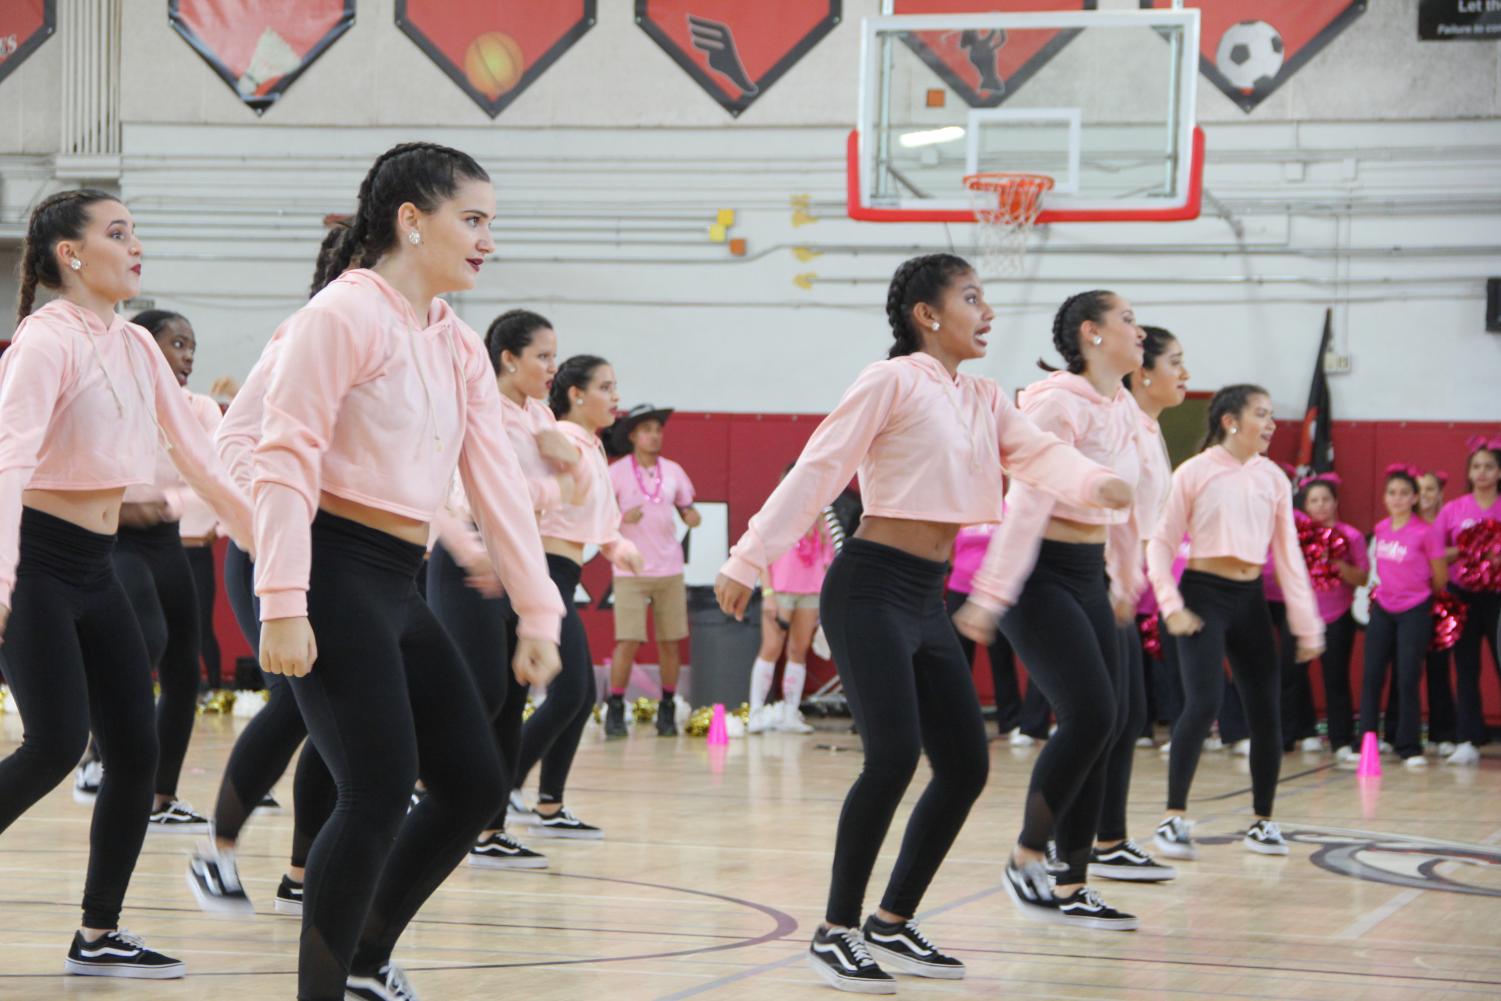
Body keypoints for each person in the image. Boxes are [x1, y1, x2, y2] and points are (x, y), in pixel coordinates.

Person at [716, 253, 1129, 992]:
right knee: (892, 756)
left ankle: (891, 919)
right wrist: (747, 559)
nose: (988, 312)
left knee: (966, 764)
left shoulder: (982, 394)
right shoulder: (890, 379)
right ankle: (835, 928)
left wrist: (1094, 481)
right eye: (971, 297)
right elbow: (818, 468)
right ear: (926, 315)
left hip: (925, 595)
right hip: (869, 587)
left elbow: (1036, 453)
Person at [250, 142, 564, 1000]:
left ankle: (361, 961)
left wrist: (539, 614)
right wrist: (281, 597)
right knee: (377, 791)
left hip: (397, 578)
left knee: (471, 781)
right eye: (473, 220)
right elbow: (281, 459)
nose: (486, 240)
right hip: (331, 570)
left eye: (490, 223)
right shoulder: (341, 315)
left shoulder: (457, 344)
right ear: (411, 220)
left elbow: (493, 479)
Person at [0, 188, 253, 977]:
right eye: (118, 233)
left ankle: (98, 932)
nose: (135, 245)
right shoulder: (44, 343)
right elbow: (7, 457)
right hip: (37, 564)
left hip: (97, 566)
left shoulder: (135, 347)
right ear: (70, 254)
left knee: (136, 752)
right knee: (54, 743)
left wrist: (272, 542)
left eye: (135, 231)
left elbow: (199, 459)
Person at [957, 290, 1157, 925]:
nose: (1140, 328)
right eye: (1128, 318)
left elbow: (1124, 507)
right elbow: (1027, 506)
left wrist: (1125, 582)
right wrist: (991, 597)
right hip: (1038, 573)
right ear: (1092, 333)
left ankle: (1072, 882)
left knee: (1110, 719)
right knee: (1091, 713)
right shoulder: (1055, 402)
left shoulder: (1122, 406)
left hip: (1086, 574)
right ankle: (1025, 859)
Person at [429, 307, 584, 870]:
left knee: (512, 694)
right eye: (542, 355)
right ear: (508, 358)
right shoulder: (483, 409)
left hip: (519, 559)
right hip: (468, 557)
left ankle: (488, 827)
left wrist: (562, 475)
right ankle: (429, 790)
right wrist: (554, 483)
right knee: (482, 690)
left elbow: (578, 489)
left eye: (554, 355)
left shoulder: (540, 415)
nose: (552, 366)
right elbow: (477, 495)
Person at [1148, 384, 1323, 861]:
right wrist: (1171, 605)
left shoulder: (1274, 479)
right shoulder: (1194, 472)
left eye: (1271, 415)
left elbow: (1289, 558)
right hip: (1203, 596)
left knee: (1266, 712)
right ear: (1230, 420)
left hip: (1250, 600)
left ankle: (1263, 822)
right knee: (1202, 704)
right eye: (1261, 414)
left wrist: (1307, 627)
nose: (1270, 424)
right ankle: (1172, 818)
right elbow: (1160, 545)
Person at [509, 354, 644, 838]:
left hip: (562, 571)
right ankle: (505, 784)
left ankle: (548, 803)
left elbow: (598, 514)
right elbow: (533, 497)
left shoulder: (588, 444)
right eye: (606, 387)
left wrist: (619, 546)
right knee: (570, 692)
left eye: (615, 386)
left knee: (579, 694)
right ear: (576, 395)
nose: (615, 397)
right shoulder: (562, 440)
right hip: (541, 570)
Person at [604, 403, 700, 736]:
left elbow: (690, 509)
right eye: (647, 430)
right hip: (630, 568)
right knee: (628, 640)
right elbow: (597, 517)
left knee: (670, 642)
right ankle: (614, 706)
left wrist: (691, 517)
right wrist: (620, 519)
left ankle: (668, 707)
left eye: (658, 430)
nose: (654, 436)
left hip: (669, 568)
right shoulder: (615, 473)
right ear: (632, 436)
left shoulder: (673, 470)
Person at [1358, 464, 1446, 766]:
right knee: (1372, 675)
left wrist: (1415, 596)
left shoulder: (1426, 532)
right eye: (1392, 493)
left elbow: (1440, 578)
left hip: (1415, 610)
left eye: (1404, 493)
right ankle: (1368, 740)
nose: (1397, 498)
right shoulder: (1381, 529)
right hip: (1383, 608)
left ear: (1414, 498)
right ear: (1385, 498)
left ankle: (1409, 746)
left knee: (1408, 676)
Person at [1292, 474, 1369, 764]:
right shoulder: (1297, 536)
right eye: (1314, 500)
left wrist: (1336, 562)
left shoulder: (1351, 536)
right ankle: (1304, 731)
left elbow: (1361, 578)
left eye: (1326, 499)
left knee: (1335, 678)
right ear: (1306, 506)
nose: (1321, 505)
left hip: (1338, 615)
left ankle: (1341, 740)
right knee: (1295, 675)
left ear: (1335, 503)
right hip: (1303, 615)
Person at [1434, 435, 1501, 766]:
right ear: (1469, 472)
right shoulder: (1453, 509)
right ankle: (1467, 738)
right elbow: (1436, 552)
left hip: (1499, 597)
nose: (1483, 472)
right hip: (1463, 595)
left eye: (1490, 466)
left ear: (1499, 472)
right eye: (1477, 466)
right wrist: (1467, 550)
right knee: (1466, 667)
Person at [945, 523, 1029, 744]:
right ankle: (957, 722)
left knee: (1001, 659)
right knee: (958, 661)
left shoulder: (1004, 513)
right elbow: (949, 550)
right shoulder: (962, 515)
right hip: (959, 590)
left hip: (991, 597)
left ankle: (1011, 723)